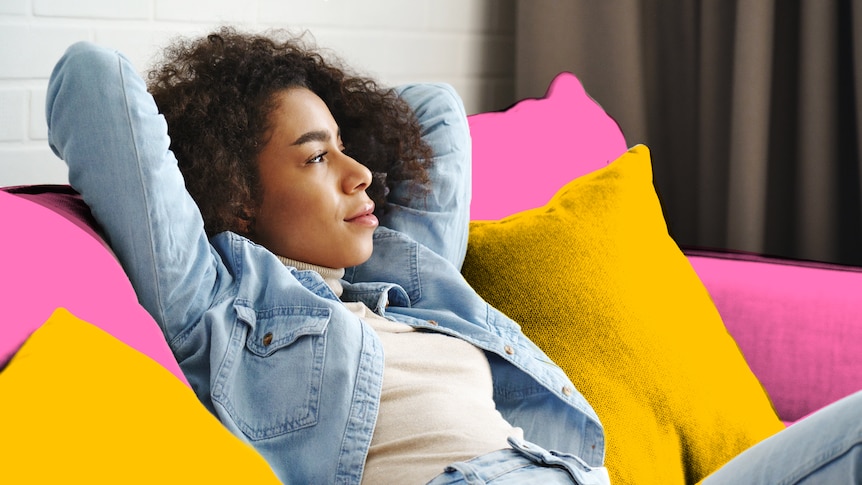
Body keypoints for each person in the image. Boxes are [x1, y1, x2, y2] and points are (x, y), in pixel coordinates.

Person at [45, 27, 861, 485]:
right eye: (316, 157)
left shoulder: (400, 284)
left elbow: (433, 112)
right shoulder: (219, 311)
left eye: (348, 149)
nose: (361, 173)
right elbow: (92, 83)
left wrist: (329, 132)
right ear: (236, 197)